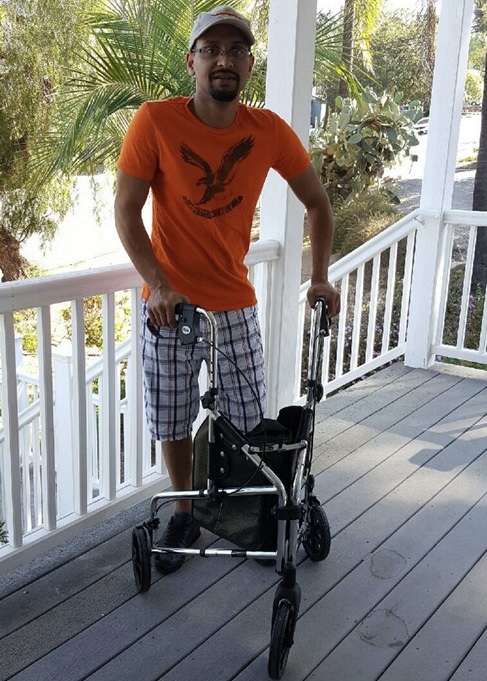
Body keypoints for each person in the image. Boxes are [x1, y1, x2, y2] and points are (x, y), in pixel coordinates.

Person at [114, 5, 340, 573]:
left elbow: (317, 204)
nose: (224, 60)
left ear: (249, 65)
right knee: (172, 419)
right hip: (169, 310)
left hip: (235, 306)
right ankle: (185, 511)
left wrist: (319, 276)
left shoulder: (268, 131)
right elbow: (125, 211)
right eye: (211, 50)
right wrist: (158, 284)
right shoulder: (155, 122)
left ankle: (250, 516)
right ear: (191, 61)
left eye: (236, 50)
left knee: (246, 422)